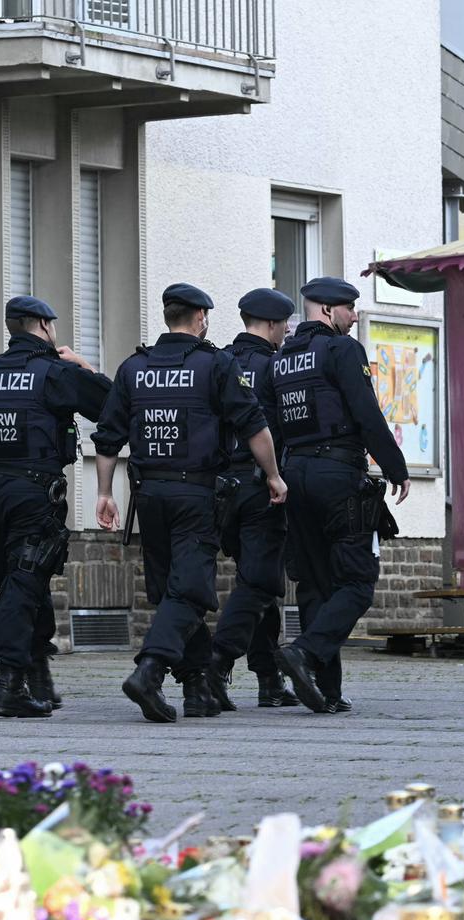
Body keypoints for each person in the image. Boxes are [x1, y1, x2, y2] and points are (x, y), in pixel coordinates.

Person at [92, 283, 287, 724]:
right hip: (196, 494)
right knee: (190, 589)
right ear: (200, 318)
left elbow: (107, 438)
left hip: (149, 496)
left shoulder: (134, 367)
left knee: (171, 589)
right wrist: (273, 476)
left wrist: (104, 493)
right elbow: (254, 426)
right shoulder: (215, 364)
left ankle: (198, 687)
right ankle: (150, 669)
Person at [0, 295, 111, 718]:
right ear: (43, 325)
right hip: (36, 494)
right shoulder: (54, 373)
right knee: (22, 585)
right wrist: (82, 366)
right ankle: (9, 686)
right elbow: (111, 403)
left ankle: (38, 678)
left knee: (24, 580)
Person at [269, 277, 410, 715]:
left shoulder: (282, 357)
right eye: (349, 309)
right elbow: (365, 410)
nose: (353, 317)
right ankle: (305, 653)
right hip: (337, 473)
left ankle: (326, 689)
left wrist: (275, 476)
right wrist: (395, 467)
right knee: (356, 581)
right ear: (327, 311)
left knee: (314, 583)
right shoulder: (342, 350)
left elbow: (271, 423)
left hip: (295, 474)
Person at [207, 288, 302, 710]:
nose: (286, 331)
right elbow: (282, 425)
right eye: (284, 324)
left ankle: (268, 678)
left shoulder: (219, 361)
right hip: (262, 483)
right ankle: (217, 659)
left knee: (259, 579)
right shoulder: (274, 366)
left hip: (221, 489)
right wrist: (278, 475)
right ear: (270, 324)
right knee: (260, 581)